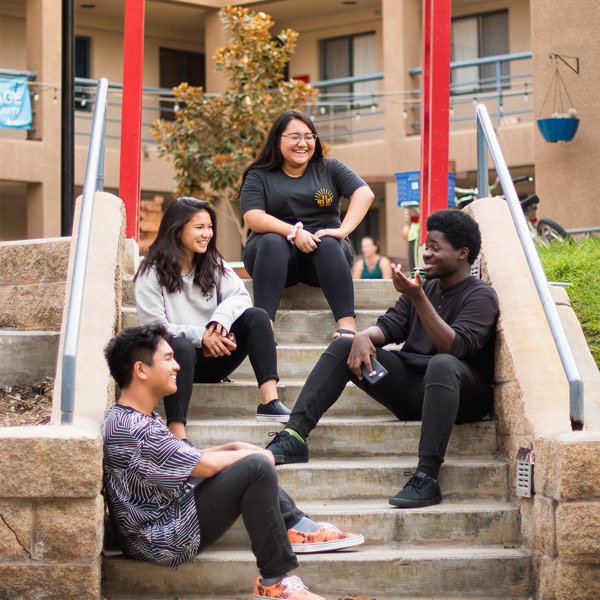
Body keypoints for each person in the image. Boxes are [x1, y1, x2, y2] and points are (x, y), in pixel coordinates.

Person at [102, 325, 364, 600]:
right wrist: (260, 456)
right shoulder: (134, 428)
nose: (177, 365)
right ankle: (275, 579)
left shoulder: (126, 418)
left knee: (246, 461)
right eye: (168, 358)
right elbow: (202, 466)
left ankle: (294, 526)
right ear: (141, 370)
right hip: (161, 538)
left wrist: (233, 446)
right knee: (254, 468)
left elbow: (179, 457)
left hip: (158, 525)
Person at [265, 209, 499, 509]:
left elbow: (453, 349)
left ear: (462, 254)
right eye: (426, 246)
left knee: (442, 364)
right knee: (344, 345)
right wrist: (363, 336)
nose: (426, 254)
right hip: (414, 390)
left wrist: (418, 298)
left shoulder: (480, 296)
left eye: (435, 248)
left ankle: (426, 476)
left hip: (460, 395)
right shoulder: (424, 285)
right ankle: (295, 434)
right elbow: (390, 326)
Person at [135, 197, 290, 438]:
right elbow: (154, 328)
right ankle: (177, 432)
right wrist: (202, 336)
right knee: (182, 347)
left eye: (209, 227)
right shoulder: (151, 272)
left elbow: (240, 297)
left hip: (214, 356)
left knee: (257, 317)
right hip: (174, 362)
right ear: (177, 230)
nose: (207, 234)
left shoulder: (213, 263)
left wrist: (218, 325)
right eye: (199, 227)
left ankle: (270, 402)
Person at [237, 109, 374, 339]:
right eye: (294, 137)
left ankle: (347, 324)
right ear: (277, 139)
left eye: (309, 137)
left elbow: (365, 193)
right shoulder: (259, 174)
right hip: (273, 260)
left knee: (329, 243)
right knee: (272, 241)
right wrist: (293, 232)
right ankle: (264, 328)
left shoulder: (330, 168)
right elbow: (253, 217)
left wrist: (342, 231)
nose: (303, 143)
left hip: (324, 261)